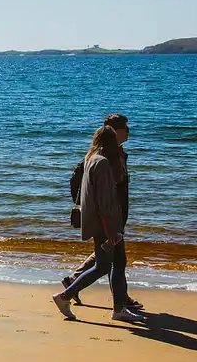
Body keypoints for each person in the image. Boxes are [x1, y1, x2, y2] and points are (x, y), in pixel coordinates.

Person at [52, 125, 144, 322]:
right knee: (103, 266)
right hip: (106, 223)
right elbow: (104, 202)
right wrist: (110, 229)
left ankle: (119, 308)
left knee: (119, 263)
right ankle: (64, 296)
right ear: (110, 142)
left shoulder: (91, 159)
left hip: (104, 221)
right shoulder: (101, 163)